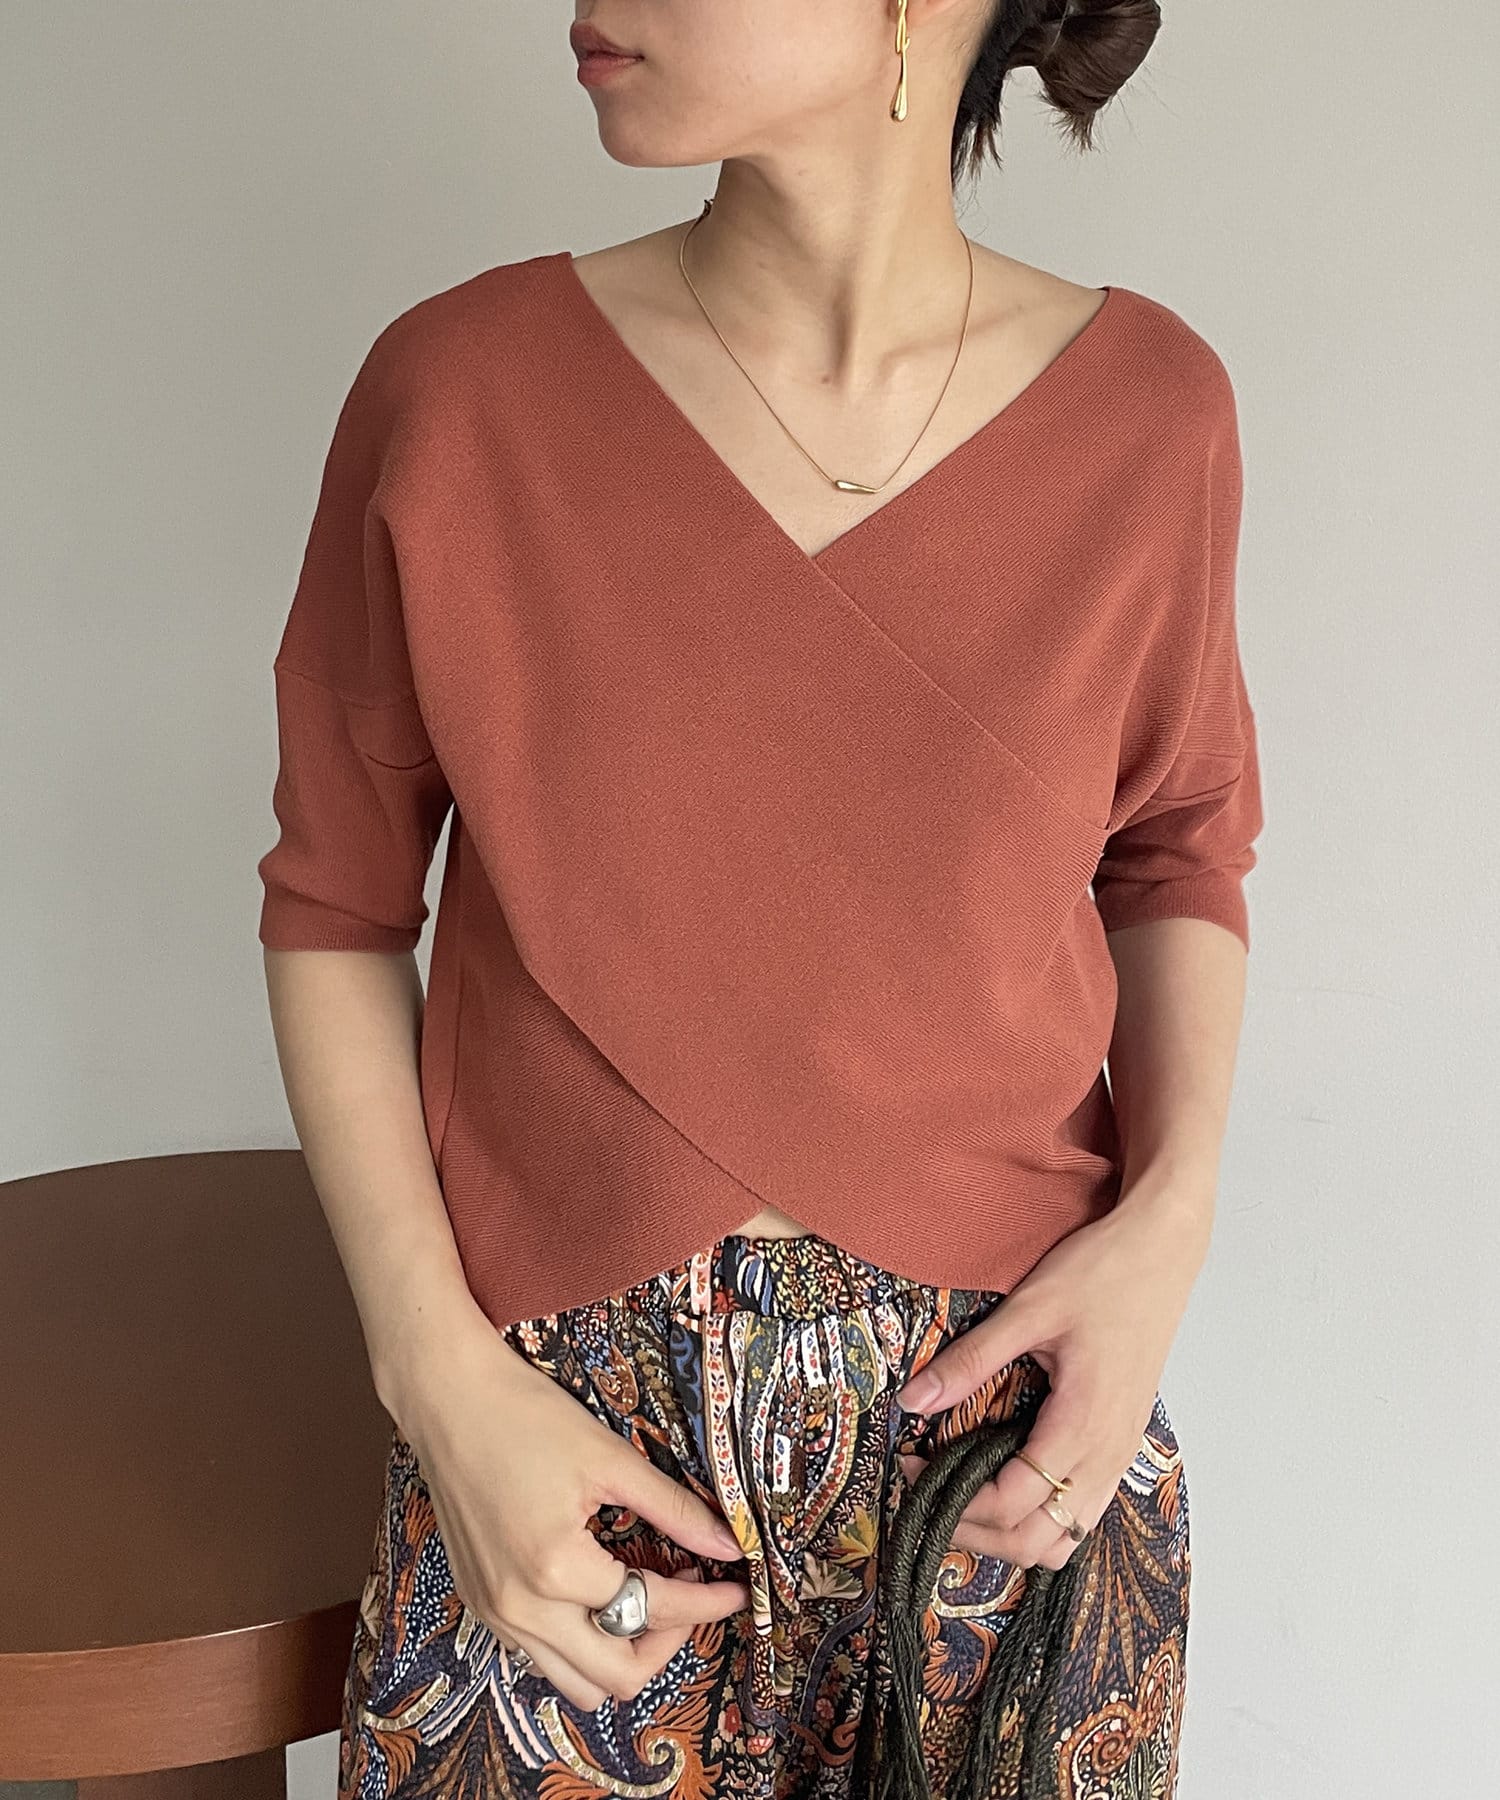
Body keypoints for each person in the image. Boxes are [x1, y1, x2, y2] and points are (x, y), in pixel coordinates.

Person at [256, 2, 1263, 1795]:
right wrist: (436, 1381)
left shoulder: (1151, 414)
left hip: (1005, 1482)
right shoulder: (459, 389)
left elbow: (1176, 848)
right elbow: (337, 903)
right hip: (555, 1484)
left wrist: (1170, 1227)